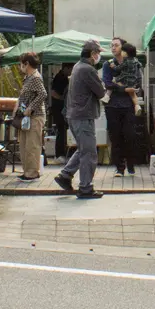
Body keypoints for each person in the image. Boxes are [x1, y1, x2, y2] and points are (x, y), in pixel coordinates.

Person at [55, 40, 106, 199]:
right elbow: (101, 92)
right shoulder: (87, 69)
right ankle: (85, 187)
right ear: (92, 54)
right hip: (83, 115)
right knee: (89, 152)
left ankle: (65, 175)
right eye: (98, 53)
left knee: (83, 148)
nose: (98, 56)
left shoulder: (78, 66)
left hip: (75, 115)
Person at [104, 42, 143, 177]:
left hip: (128, 105)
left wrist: (124, 86)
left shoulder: (133, 63)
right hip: (112, 105)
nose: (113, 48)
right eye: (112, 45)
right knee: (115, 137)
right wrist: (125, 88)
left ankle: (131, 164)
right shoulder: (107, 64)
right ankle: (119, 167)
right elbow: (108, 83)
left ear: (123, 49)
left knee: (130, 135)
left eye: (116, 45)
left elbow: (138, 81)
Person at [15, 52, 47, 181]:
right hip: (25, 116)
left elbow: (43, 94)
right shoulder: (28, 77)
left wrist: (30, 108)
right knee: (24, 144)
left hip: (35, 116)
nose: (20, 66)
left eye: (21, 63)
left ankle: (32, 172)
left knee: (32, 145)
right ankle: (27, 171)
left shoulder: (35, 77)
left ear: (26, 63)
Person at [50, 62, 73, 163]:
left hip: (62, 108)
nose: (72, 71)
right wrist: (63, 99)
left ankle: (62, 154)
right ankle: (59, 154)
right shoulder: (60, 78)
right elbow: (53, 93)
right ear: (66, 68)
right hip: (58, 108)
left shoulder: (64, 78)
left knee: (63, 130)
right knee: (61, 130)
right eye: (71, 69)